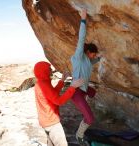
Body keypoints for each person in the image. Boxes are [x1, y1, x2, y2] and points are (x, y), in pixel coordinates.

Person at [34, 61, 84, 146]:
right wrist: (73, 87)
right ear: (43, 71)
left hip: (45, 121)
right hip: (52, 123)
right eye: (48, 69)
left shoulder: (41, 82)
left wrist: (62, 80)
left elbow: (53, 94)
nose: (51, 70)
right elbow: (59, 101)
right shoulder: (43, 85)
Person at [70, 9, 101, 145]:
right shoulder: (79, 57)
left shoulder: (88, 61)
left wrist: (100, 58)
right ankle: (79, 135)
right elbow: (81, 38)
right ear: (88, 52)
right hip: (76, 93)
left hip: (84, 89)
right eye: (93, 55)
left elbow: (93, 62)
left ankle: (87, 101)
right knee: (90, 118)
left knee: (93, 92)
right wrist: (83, 20)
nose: (93, 57)